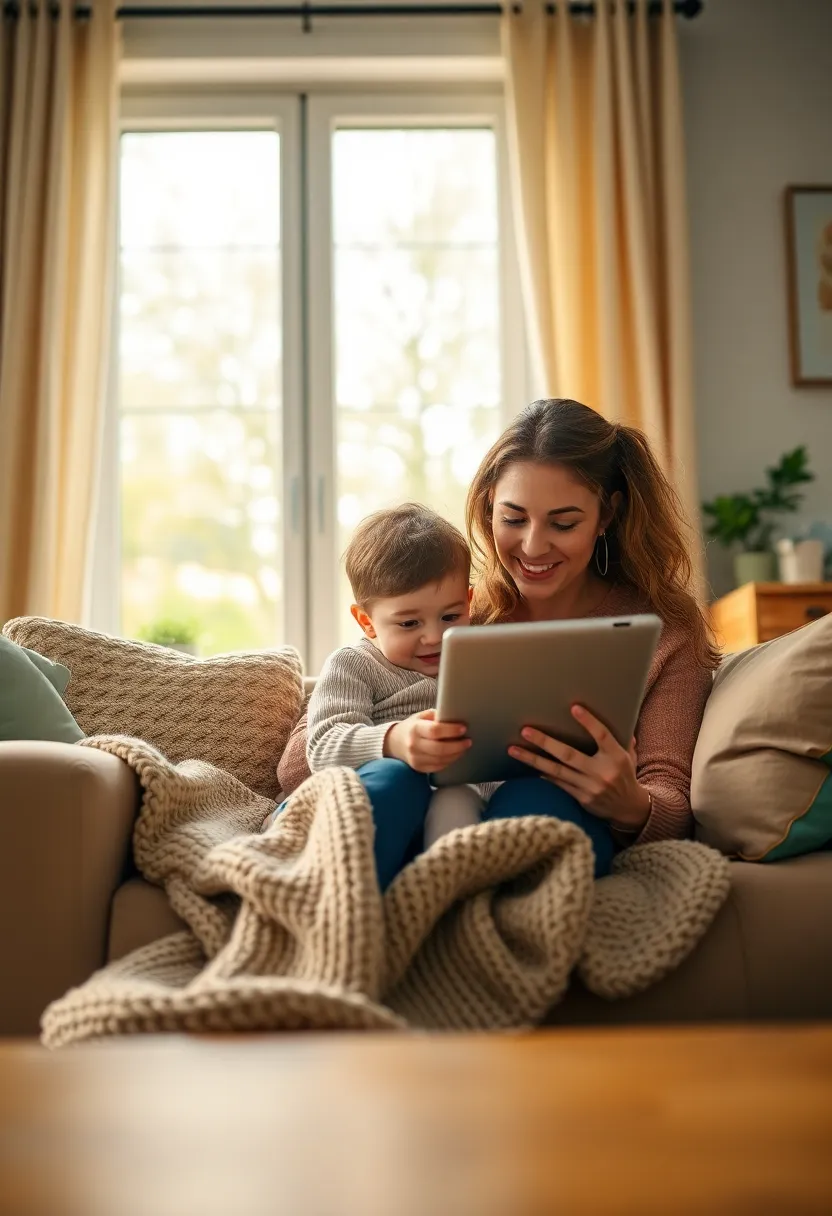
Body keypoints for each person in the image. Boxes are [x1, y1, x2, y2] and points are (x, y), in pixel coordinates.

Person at [277, 398, 718, 887]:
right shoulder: (451, 618)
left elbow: (674, 806)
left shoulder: (664, 633)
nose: (532, 546)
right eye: (513, 518)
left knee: (539, 804)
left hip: (550, 819)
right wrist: (402, 743)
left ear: (607, 514)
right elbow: (303, 759)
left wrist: (629, 802)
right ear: (488, 504)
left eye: (563, 523)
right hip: (413, 815)